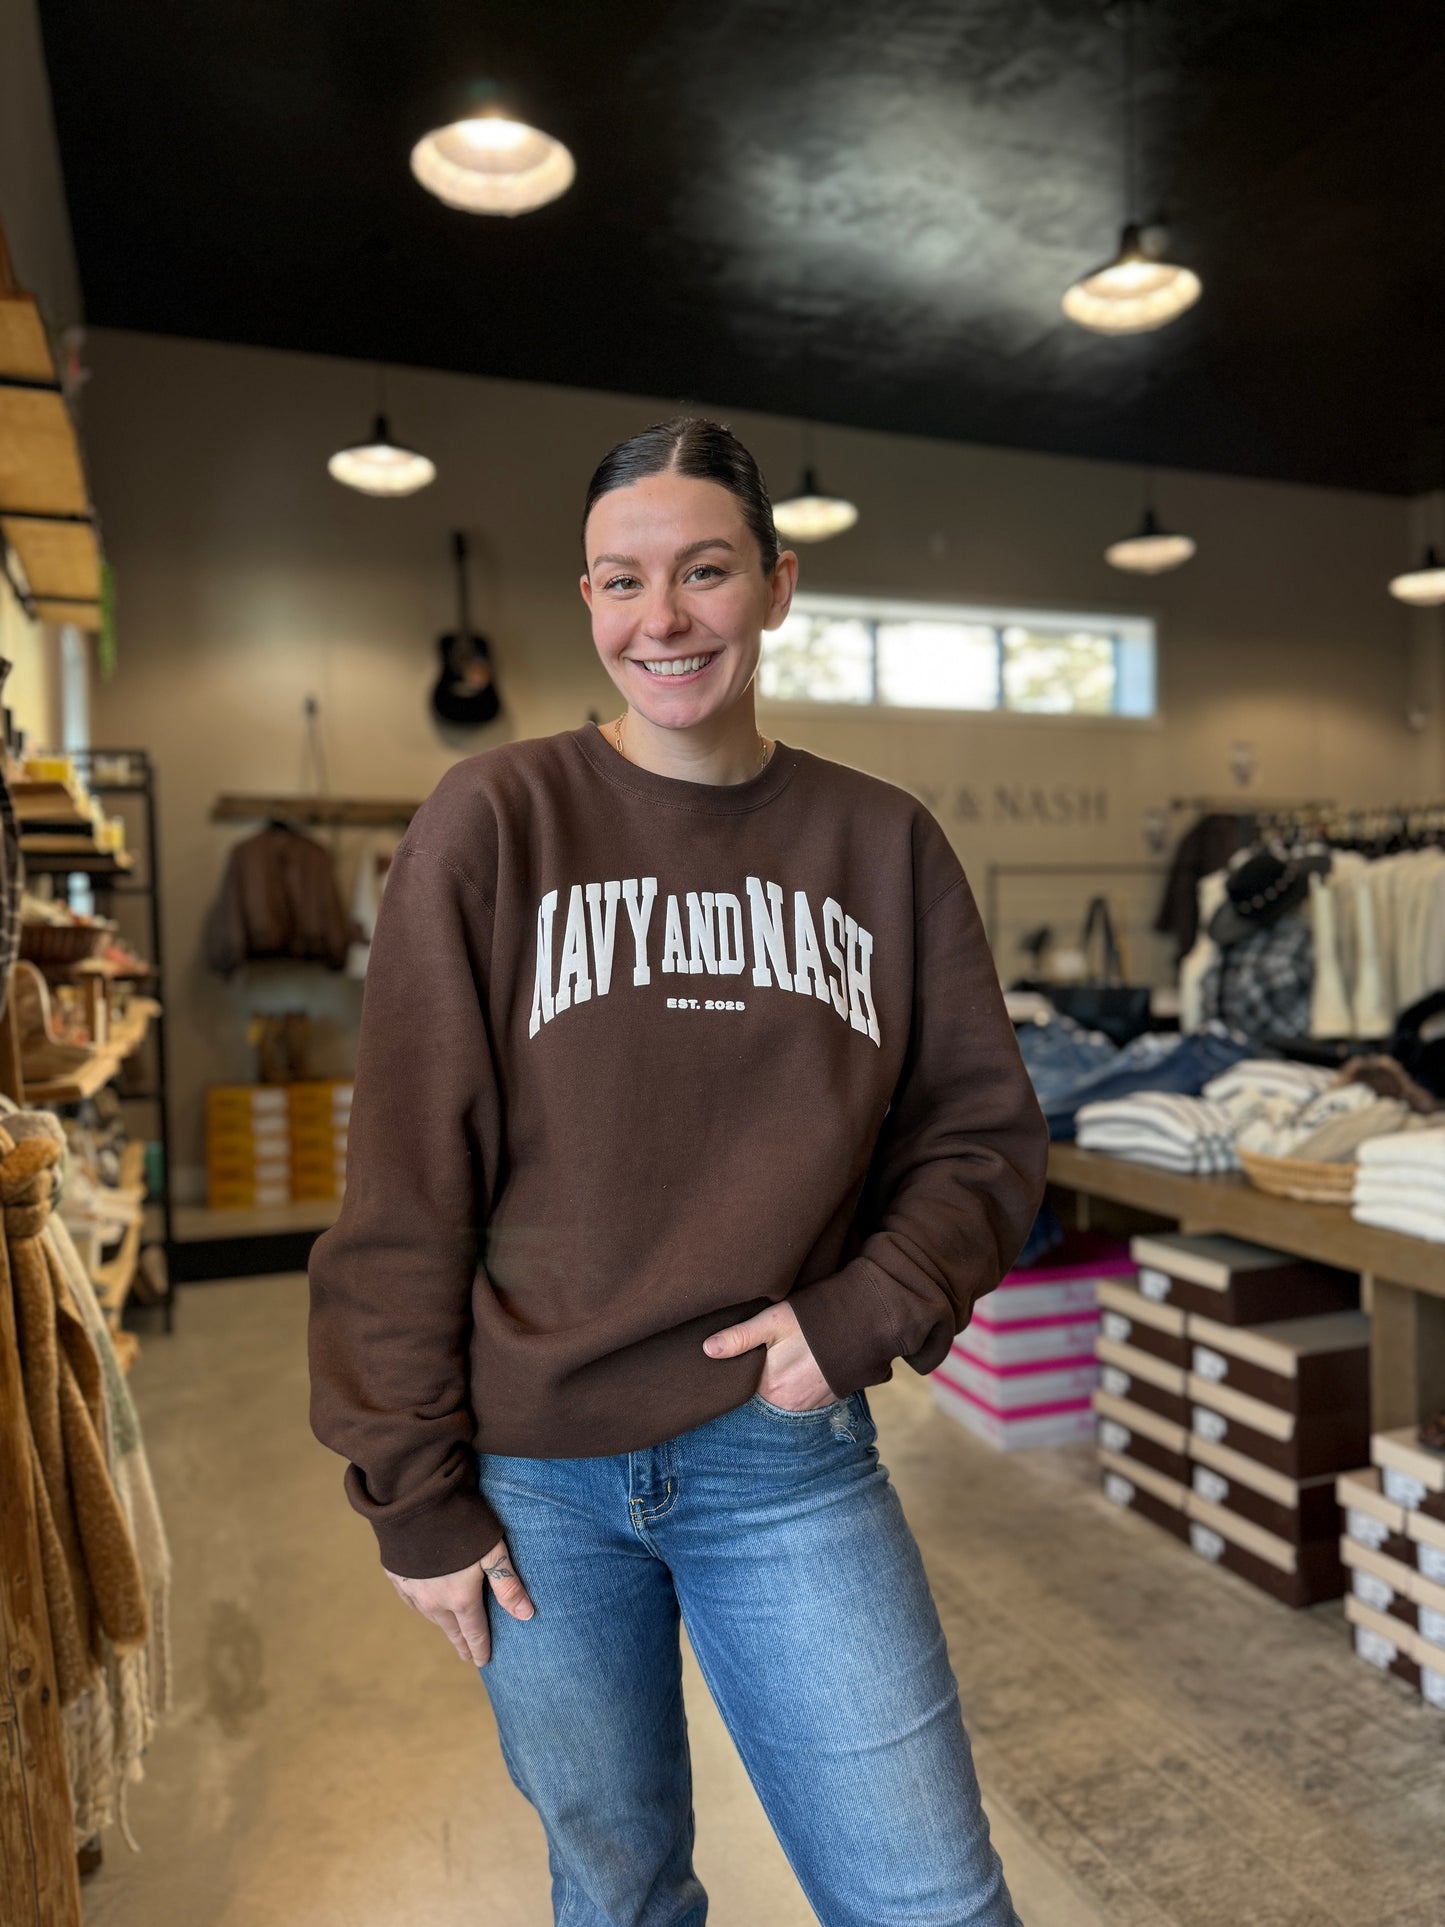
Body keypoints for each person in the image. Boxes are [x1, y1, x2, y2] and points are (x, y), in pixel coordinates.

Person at [307, 417, 1049, 1926]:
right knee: (620, 1891)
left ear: (773, 587)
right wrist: (413, 1492)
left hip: (782, 1461)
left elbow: (979, 1134)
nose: (662, 620)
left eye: (703, 573)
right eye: (620, 582)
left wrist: (858, 1315)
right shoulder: (493, 821)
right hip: (531, 1486)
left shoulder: (879, 844)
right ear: (585, 602)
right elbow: (402, 1179)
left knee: (929, 1900)